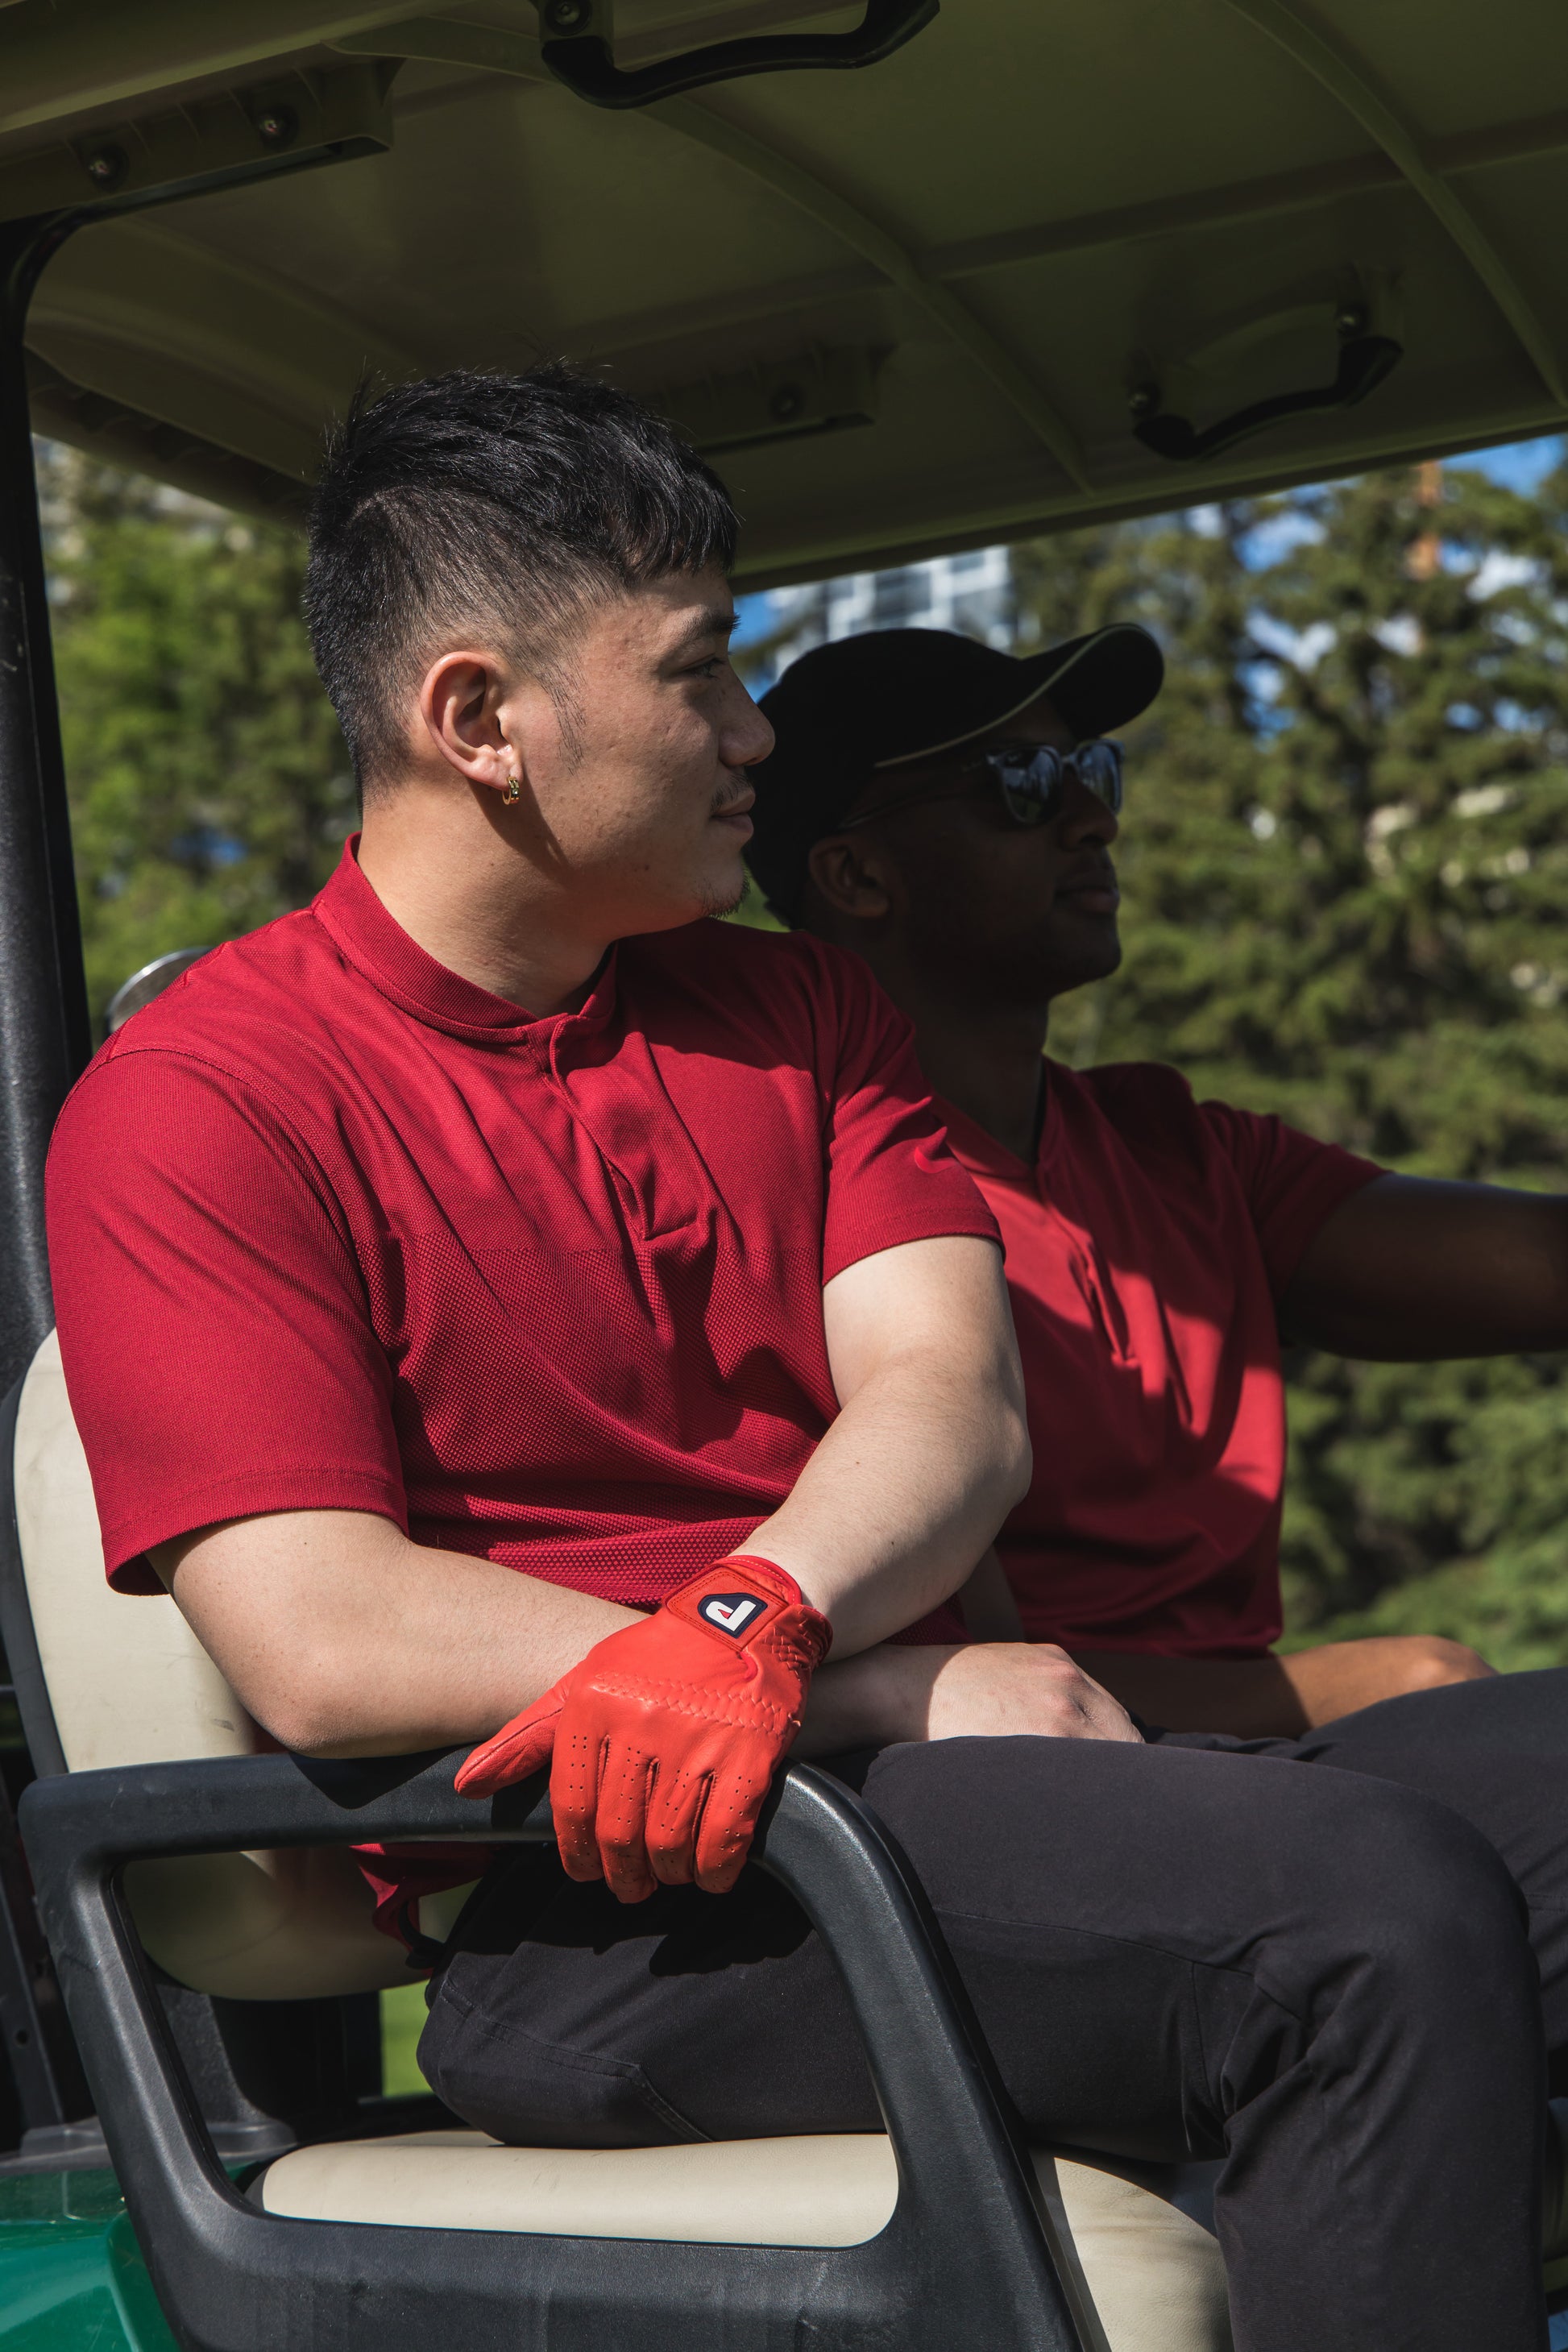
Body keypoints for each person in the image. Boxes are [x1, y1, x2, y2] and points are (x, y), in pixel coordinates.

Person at [43, 368, 1568, 2352]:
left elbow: (947, 1396)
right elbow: (320, 1631)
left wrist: (759, 1614)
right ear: (480, 719)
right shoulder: (207, 1098)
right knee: (1361, 1912)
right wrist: (861, 1677)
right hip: (603, 1904)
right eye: (700, 672)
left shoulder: (800, 1017)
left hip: (904, 1791)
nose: (754, 728)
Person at [746, 623, 1566, 1736]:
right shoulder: (796, 1194)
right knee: (1450, 1695)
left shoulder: (1173, 1147)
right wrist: (1399, 1682)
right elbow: (953, 1664)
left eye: (1090, 769)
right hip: (1018, 1766)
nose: (1094, 817)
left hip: (1252, 1758)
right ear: (854, 874)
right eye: (1022, 783)